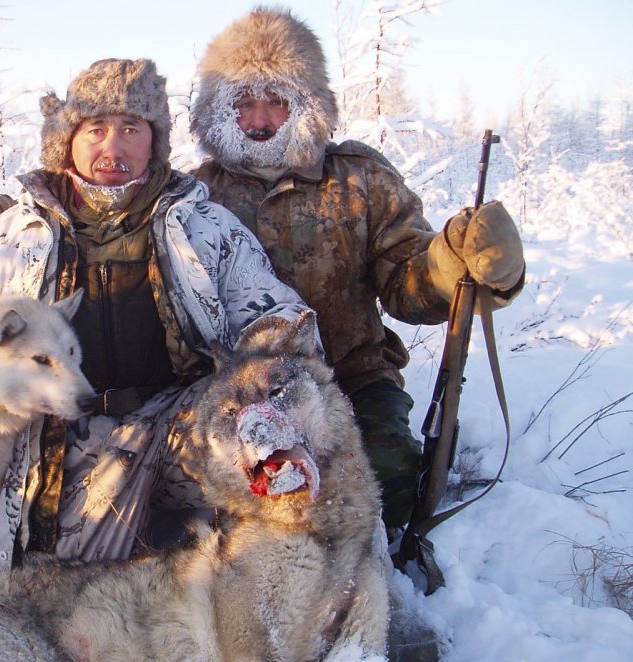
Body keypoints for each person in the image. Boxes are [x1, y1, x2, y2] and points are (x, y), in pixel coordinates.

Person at [0, 58, 314, 566]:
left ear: (154, 141)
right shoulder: (17, 234)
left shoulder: (201, 223)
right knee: (76, 586)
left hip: (183, 415)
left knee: (277, 470)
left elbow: (274, 314)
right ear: (66, 139)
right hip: (71, 434)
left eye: (131, 130)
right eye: (95, 129)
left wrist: (270, 378)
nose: (112, 149)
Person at [188, 7, 525, 535]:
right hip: (239, 388)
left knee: (386, 481)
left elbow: (407, 285)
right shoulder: (195, 196)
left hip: (353, 377)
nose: (258, 119)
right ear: (218, 112)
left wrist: (460, 261)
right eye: (243, 103)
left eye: (276, 101)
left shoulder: (359, 180)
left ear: (307, 106)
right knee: (230, 513)